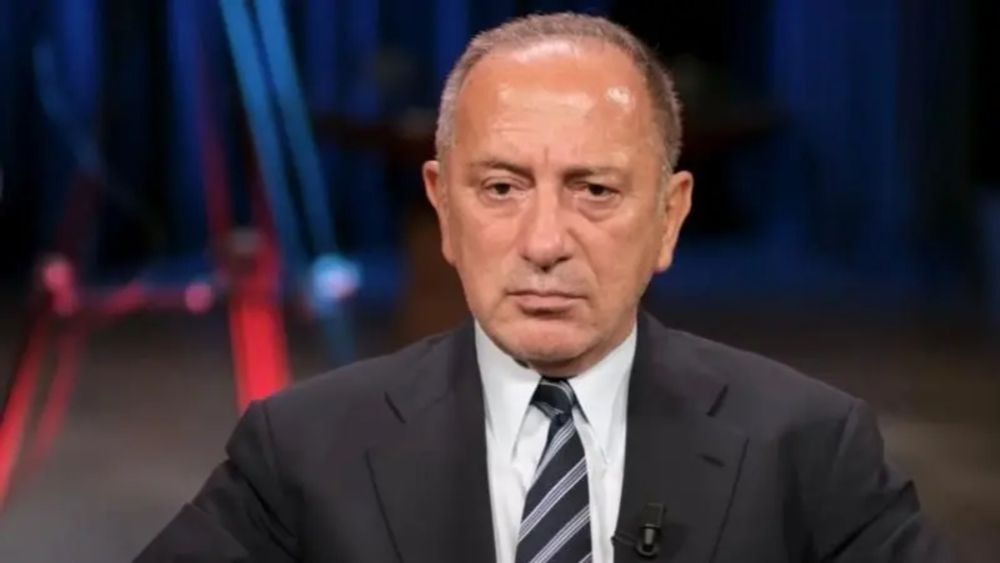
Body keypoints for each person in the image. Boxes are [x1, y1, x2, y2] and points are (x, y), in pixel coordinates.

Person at [137, 12, 949, 563]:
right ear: (443, 208)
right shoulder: (301, 450)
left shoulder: (808, 448)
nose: (545, 242)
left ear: (669, 216)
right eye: (501, 188)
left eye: (594, 190)